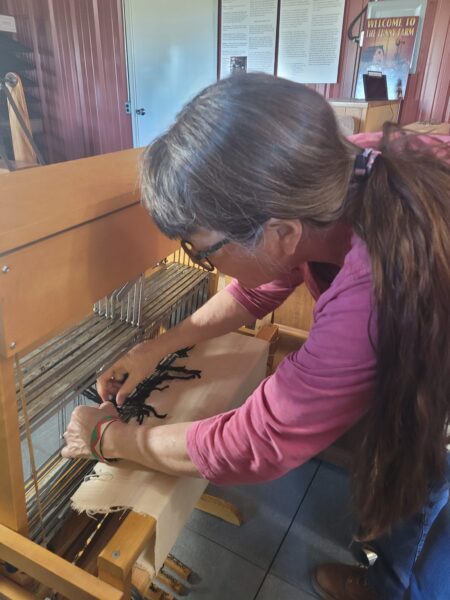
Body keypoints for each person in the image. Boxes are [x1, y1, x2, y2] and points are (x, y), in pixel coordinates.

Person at [62, 74, 450, 599]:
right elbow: (261, 286)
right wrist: (155, 346)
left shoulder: (373, 292)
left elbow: (257, 442)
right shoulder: (340, 172)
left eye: (201, 250)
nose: (201, 262)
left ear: (282, 232)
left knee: (436, 521)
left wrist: (107, 438)